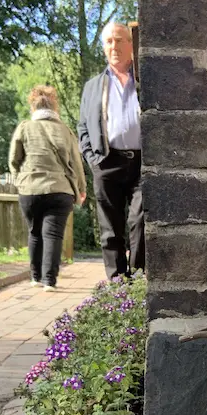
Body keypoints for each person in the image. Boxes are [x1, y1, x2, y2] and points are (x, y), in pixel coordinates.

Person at [77, 20, 145, 280]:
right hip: (107, 161)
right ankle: (117, 282)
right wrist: (93, 160)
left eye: (119, 40)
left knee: (140, 220)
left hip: (141, 163)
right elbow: (83, 126)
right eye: (109, 41)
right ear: (104, 47)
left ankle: (139, 277)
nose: (114, 46)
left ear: (130, 44)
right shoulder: (93, 86)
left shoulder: (143, 79)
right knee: (110, 227)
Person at [8, 85, 87, 291]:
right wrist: (81, 188)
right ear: (55, 108)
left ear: (33, 107)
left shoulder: (24, 128)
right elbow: (76, 164)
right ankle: (49, 281)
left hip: (30, 189)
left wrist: (20, 179)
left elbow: (14, 159)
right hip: (60, 190)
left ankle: (35, 277)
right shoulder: (65, 131)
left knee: (35, 232)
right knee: (53, 235)